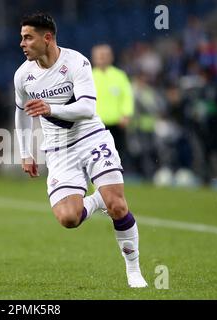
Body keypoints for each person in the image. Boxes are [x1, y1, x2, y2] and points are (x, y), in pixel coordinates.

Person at [14, 13, 147, 288]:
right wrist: (26, 152)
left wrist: (52, 108)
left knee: (118, 205)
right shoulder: (23, 75)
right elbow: (21, 113)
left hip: (91, 138)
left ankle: (134, 271)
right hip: (59, 150)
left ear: (47, 37)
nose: (22, 44)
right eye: (21, 38)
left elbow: (87, 109)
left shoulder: (76, 62)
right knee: (68, 218)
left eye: (28, 37)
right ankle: (98, 200)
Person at [91, 44, 134, 167]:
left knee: (118, 153)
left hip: (117, 123)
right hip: (97, 124)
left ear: (111, 57)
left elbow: (127, 96)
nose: (102, 58)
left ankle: (117, 179)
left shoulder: (119, 75)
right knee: (97, 154)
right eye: (99, 56)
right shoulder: (89, 76)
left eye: (105, 55)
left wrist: (126, 114)